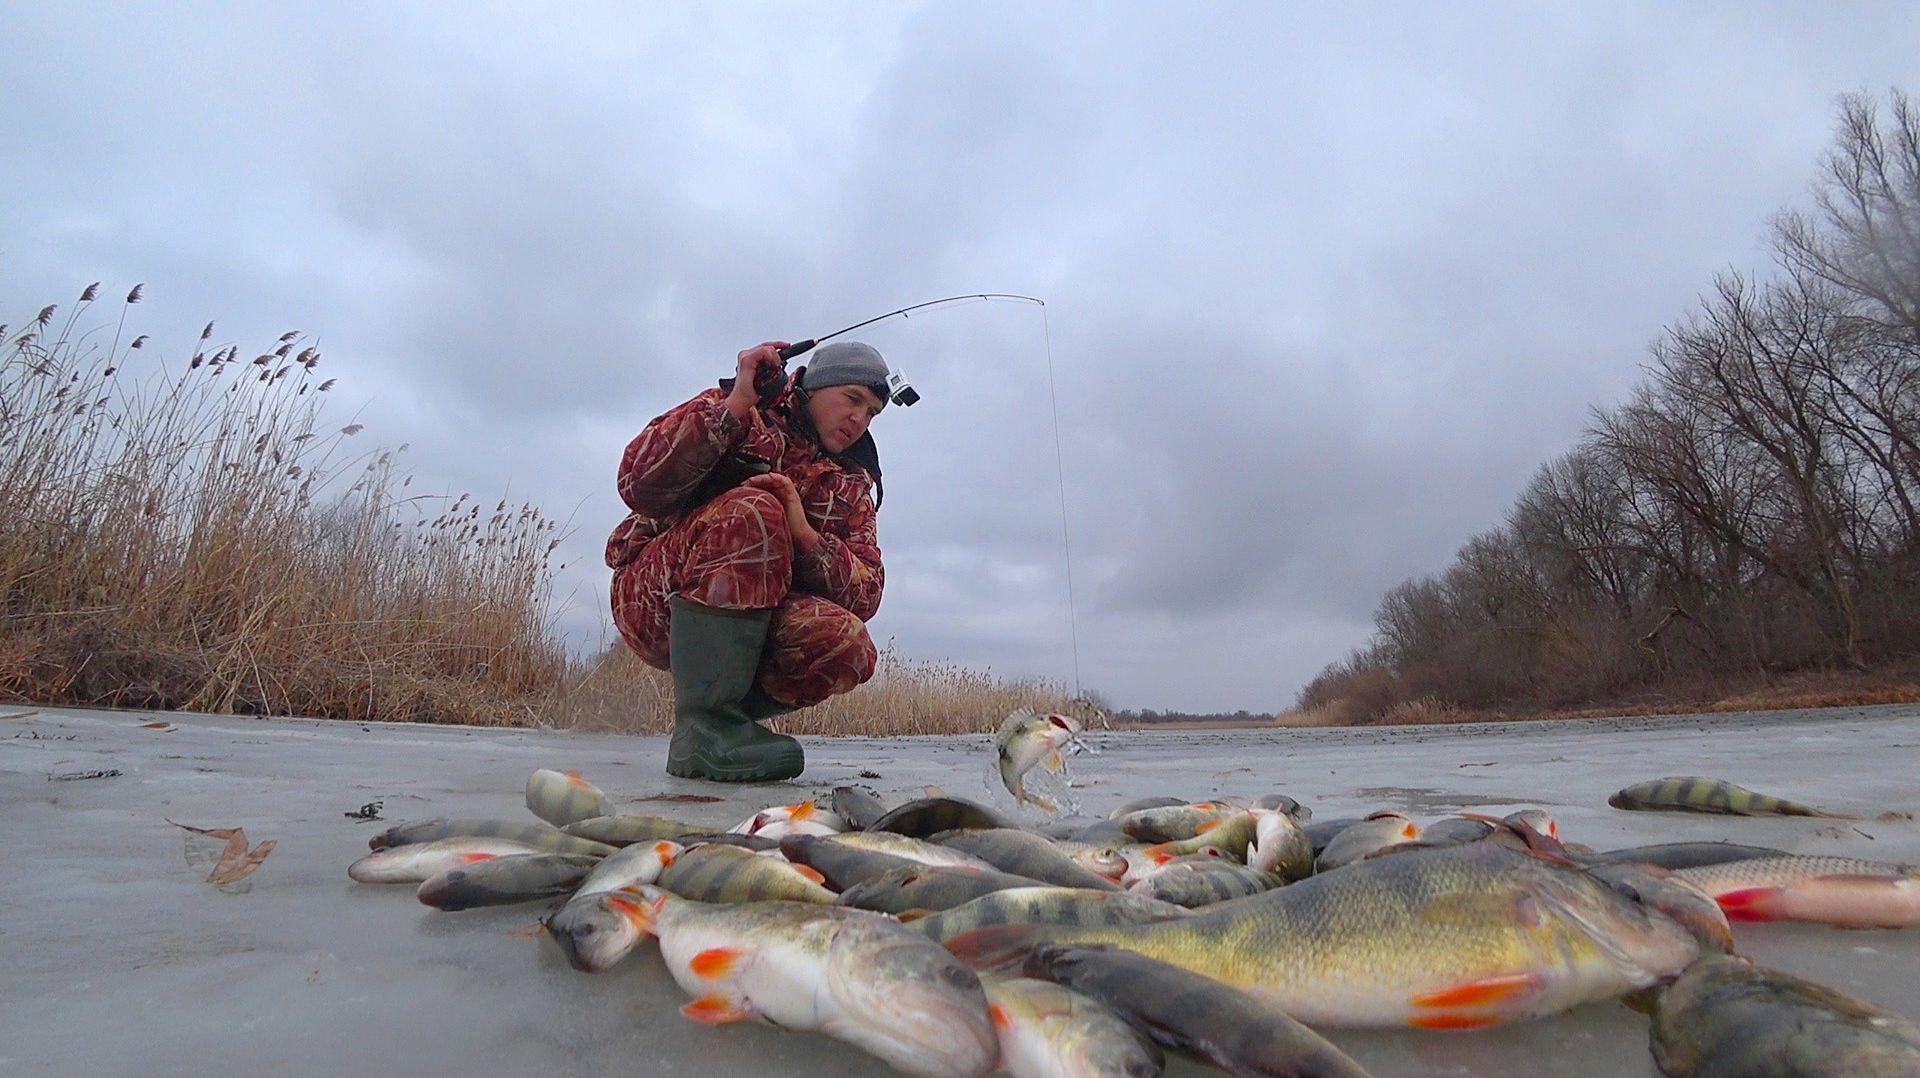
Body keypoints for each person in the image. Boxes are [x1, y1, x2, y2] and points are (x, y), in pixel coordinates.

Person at [606, 339, 891, 781]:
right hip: (654, 597)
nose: (859, 419)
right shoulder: (748, 409)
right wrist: (737, 403)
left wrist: (804, 534)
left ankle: (723, 725)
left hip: (757, 623)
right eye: (852, 399)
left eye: (872, 412)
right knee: (757, 510)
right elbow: (635, 481)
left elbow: (867, 592)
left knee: (848, 644)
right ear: (815, 385)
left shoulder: (853, 484)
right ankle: (704, 728)